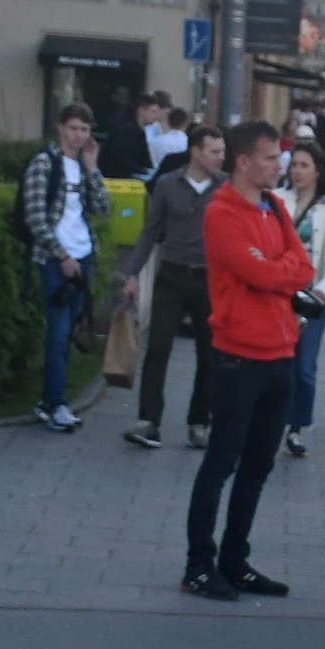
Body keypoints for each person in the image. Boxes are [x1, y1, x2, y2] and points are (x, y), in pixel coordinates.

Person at [183, 120, 312, 602]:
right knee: (221, 462)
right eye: (269, 158)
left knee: (258, 466)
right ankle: (199, 564)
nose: (278, 166)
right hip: (239, 358)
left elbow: (304, 266)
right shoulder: (222, 213)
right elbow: (258, 273)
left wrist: (276, 271)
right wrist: (279, 272)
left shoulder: (275, 207)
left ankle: (235, 561)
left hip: (280, 354)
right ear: (243, 162)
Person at [122, 123, 226, 450]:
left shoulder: (226, 188)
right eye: (214, 151)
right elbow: (150, 232)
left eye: (222, 152)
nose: (221, 158)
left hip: (210, 280)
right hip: (172, 275)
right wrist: (132, 273)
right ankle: (148, 421)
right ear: (195, 152)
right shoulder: (168, 185)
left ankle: (199, 422)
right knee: (158, 349)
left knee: (209, 355)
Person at [23, 102, 110, 433]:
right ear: (60, 128)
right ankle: (58, 404)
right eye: (73, 128)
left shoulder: (82, 165)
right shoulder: (44, 165)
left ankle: (48, 401)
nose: (78, 135)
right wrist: (62, 256)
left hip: (84, 254)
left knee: (69, 330)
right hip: (55, 259)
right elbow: (35, 217)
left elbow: (102, 207)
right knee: (58, 332)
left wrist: (92, 168)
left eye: (85, 130)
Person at [278, 141, 325, 458]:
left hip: (312, 298)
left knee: (304, 365)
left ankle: (296, 426)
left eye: (304, 165)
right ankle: (271, 418)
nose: (298, 171)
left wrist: (323, 290)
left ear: (318, 170)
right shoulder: (278, 200)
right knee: (278, 361)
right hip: (278, 295)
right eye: (294, 165)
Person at [99, 92, 164, 180]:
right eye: (153, 111)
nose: (156, 116)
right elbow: (121, 159)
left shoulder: (139, 131)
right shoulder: (125, 130)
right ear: (141, 110)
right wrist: (143, 170)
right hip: (116, 179)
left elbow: (144, 158)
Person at [149, 105, 192, 177]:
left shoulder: (156, 141)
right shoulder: (189, 143)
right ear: (186, 123)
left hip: (157, 179)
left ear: (169, 121)